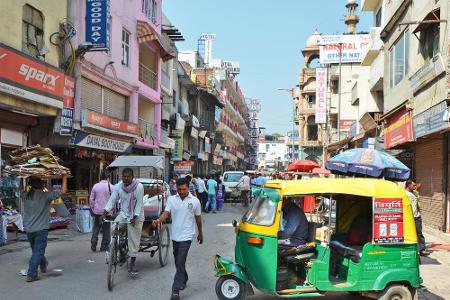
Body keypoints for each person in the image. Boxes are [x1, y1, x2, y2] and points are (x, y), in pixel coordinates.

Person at [152, 177, 203, 300]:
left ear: (188, 187)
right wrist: (159, 220)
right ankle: (184, 277)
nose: (181, 191)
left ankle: (175, 290)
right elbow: (166, 213)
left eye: (184, 189)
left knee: (180, 261)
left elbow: (198, 219)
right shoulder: (171, 199)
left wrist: (200, 233)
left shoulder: (195, 201)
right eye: (179, 189)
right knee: (178, 261)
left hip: (187, 236)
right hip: (175, 236)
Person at [23, 173, 68, 282]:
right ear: (42, 184)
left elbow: (23, 189)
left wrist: (25, 177)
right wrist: (64, 177)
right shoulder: (46, 195)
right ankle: (31, 274)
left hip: (29, 228)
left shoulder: (25, 195)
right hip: (40, 229)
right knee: (38, 251)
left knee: (36, 249)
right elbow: (63, 191)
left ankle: (43, 263)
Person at [104, 168, 144, 275]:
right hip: (124, 214)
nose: (126, 178)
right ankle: (115, 246)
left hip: (137, 215)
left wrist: (135, 217)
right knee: (114, 227)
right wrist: (105, 211)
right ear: (122, 176)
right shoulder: (118, 186)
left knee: (133, 239)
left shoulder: (139, 187)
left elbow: (139, 203)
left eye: (128, 176)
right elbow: (113, 199)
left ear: (132, 177)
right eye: (124, 176)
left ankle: (132, 263)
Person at [89, 170, 113, 252]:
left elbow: (91, 199)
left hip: (97, 211)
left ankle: (94, 241)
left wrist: (92, 208)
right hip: (107, 212)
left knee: (96, 227)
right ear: (108, 178)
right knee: (106, 230)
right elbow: (114, 200)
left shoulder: (95, 186)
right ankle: (104, 247)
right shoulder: (112, 187)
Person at [405, 180, 429, 256]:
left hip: (417, 216)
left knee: (419, 233)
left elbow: (417, 202)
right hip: (409, 218)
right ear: (408, 185)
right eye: (413, 185)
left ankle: (422, 250)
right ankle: (410, 249)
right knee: (409, 234)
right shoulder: (405, 194)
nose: (415, 187)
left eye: (415, 185)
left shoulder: (415, 193)